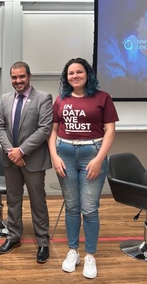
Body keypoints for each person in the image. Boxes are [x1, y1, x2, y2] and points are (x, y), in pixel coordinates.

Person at [48, 57, 119, 279]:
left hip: (92, 154)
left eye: (79, 72)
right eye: (70, 73)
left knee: (89, 208)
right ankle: (72, 252)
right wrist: (54, 157)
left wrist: (99, 159)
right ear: (66, 77)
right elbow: (52, 131)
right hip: (65, 154)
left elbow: (110, 131)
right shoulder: (61, 99)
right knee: (71, 207)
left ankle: (90, 255)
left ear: (87, 74)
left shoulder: (102, 98)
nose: (75, 76)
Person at [0, 61, 53, 264]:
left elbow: (45, 129)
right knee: (13, 201)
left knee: (38, 202)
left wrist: (22, 151)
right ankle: (13, 237)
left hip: (33, 161)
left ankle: (43, 242)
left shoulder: (43, 98)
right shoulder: (5, 99)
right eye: (14, 77)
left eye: (21, 77)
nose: (18, 81)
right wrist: (12, 151)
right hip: (11, 160)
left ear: (29, 76)